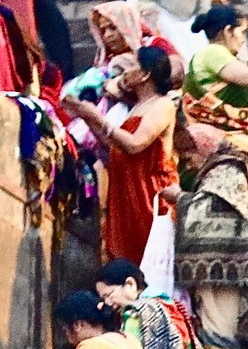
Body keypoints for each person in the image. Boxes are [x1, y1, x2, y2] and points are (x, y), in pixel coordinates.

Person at [62, 47, 180, 266]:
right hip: (126, 192)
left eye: (132, 65)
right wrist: (86, 116)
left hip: (149, 194)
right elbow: (115, 146)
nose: (125, 72)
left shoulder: (163, 105)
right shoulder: (137, 107)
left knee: (150, 261)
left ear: (146, 74)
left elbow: (135, 144)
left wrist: (97, 116)